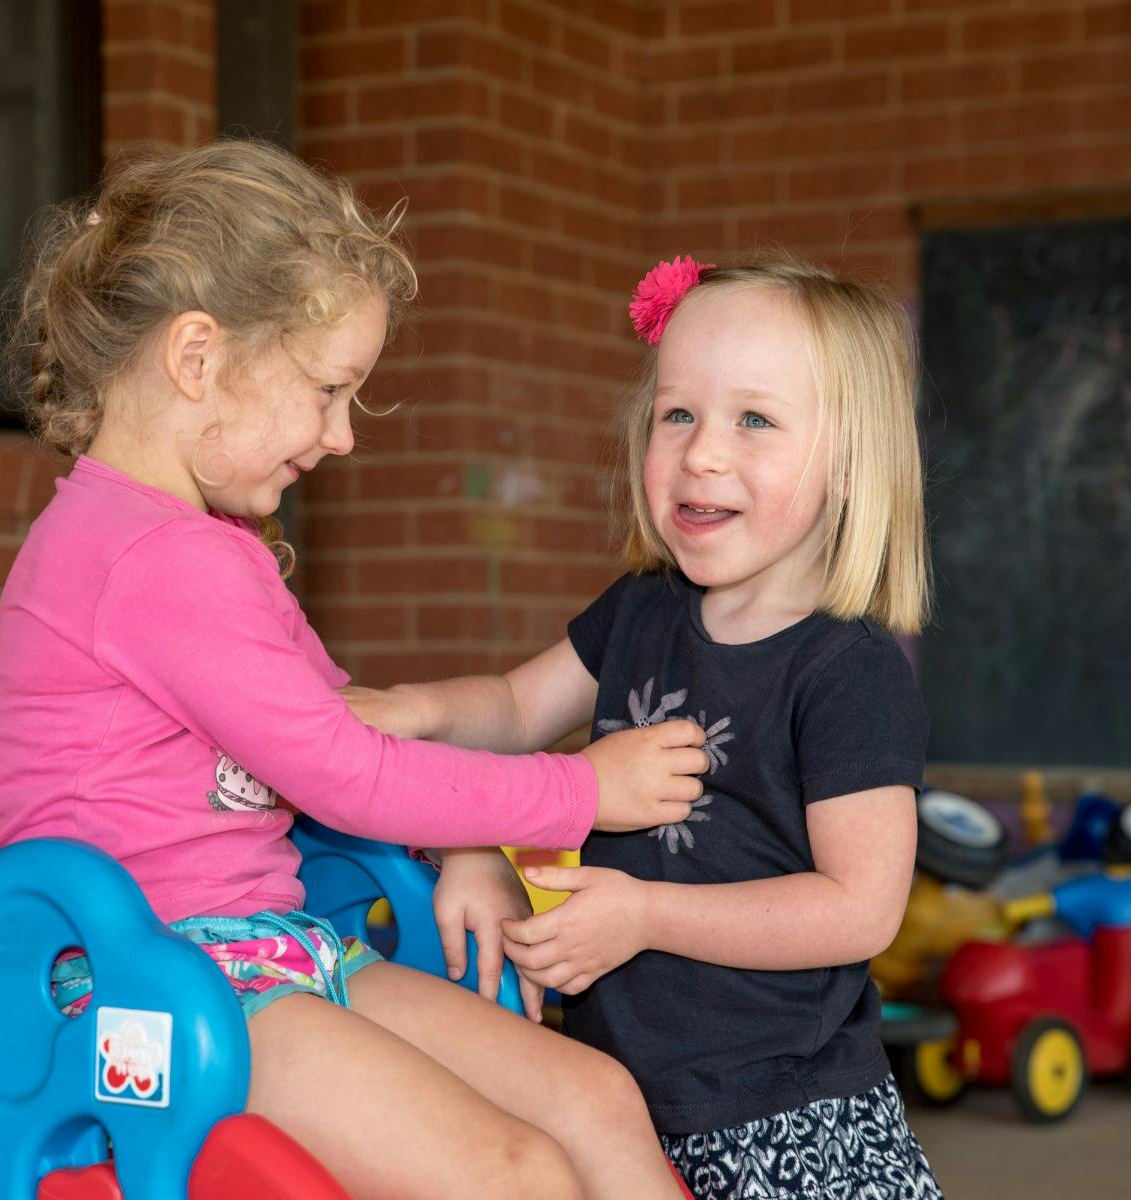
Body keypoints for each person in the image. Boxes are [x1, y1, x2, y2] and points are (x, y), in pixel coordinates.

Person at [0, 139, 708, 1199]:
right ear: (198, 359)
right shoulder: (149, 557)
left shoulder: (198, 546)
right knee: (511, 1173)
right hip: (139, 989)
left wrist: (464, 843)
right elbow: (342, 771)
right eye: (328, 390)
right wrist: (582, 790)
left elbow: (350, 731)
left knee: (590, 1099)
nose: (342, 435)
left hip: (262, 954)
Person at [344, 251, 944, 1199]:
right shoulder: (642, 610)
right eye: (679, 414)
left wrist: (644, 915)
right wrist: (409, 712)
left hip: (785, 1114)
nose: (703, 450)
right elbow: (512, 710)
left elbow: (859, 907)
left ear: (849, 460)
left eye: (754, 419)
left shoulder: (846, 672)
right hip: (618, 1093)